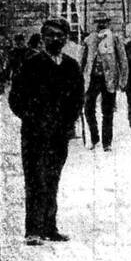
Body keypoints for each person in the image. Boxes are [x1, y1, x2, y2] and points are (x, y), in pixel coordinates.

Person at [8, 18, 84, 245]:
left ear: (66, 38)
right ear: (43, 39)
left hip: (59, 134)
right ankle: (32, 230)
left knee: (52, 179)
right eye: (50, 35)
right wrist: (34, 120)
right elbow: (15, 99)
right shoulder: (32, 64)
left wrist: (66, 122)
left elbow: (78, 98)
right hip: (35, 135)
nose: (55, 39)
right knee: (35, 180)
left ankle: (50, 228)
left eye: (60, 35)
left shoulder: (71, 66)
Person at [81, 14, 128, 152]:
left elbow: (123, 60)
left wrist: (123, 79)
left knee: (107, 111)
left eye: (103, 23)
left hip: (109, 79)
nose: (101, 25)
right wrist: (79, 78)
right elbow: (82, 60)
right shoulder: (89, 39)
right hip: (92, 79)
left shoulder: (115, 39)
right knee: (88, 108)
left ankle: (107, 143)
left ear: (108, 24)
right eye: (98, 23)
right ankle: (95, 138)